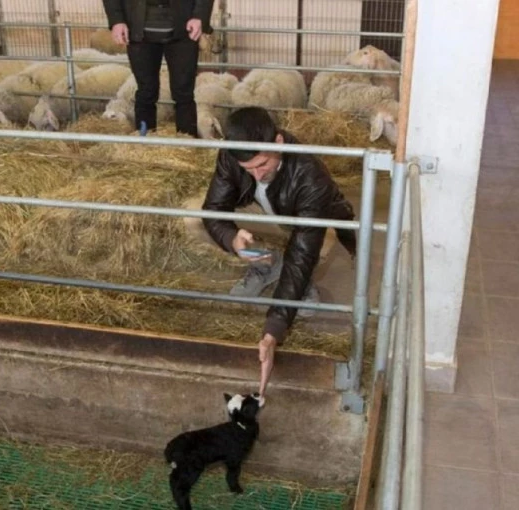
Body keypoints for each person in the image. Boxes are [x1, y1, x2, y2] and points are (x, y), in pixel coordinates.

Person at [184, 106, 357, 396]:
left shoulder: (309, 174)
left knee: (310, 249)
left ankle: (297, 282)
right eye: (247, 169)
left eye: (263, 163)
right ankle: (266, 263)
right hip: (266, 212)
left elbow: (303, 250)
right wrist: (231, 238)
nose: (257, 174)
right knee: (193, 219)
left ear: (278, 142)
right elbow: (213, 210)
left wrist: (274, 330)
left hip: (306, 220)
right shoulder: (233, 154)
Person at [102, 0, 215, 137]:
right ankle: (144, 142)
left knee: (184, 93)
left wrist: (199, 16)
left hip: (183, 29)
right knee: (145, 92)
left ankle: (187, 143)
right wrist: (117, 20)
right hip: (138, 29)